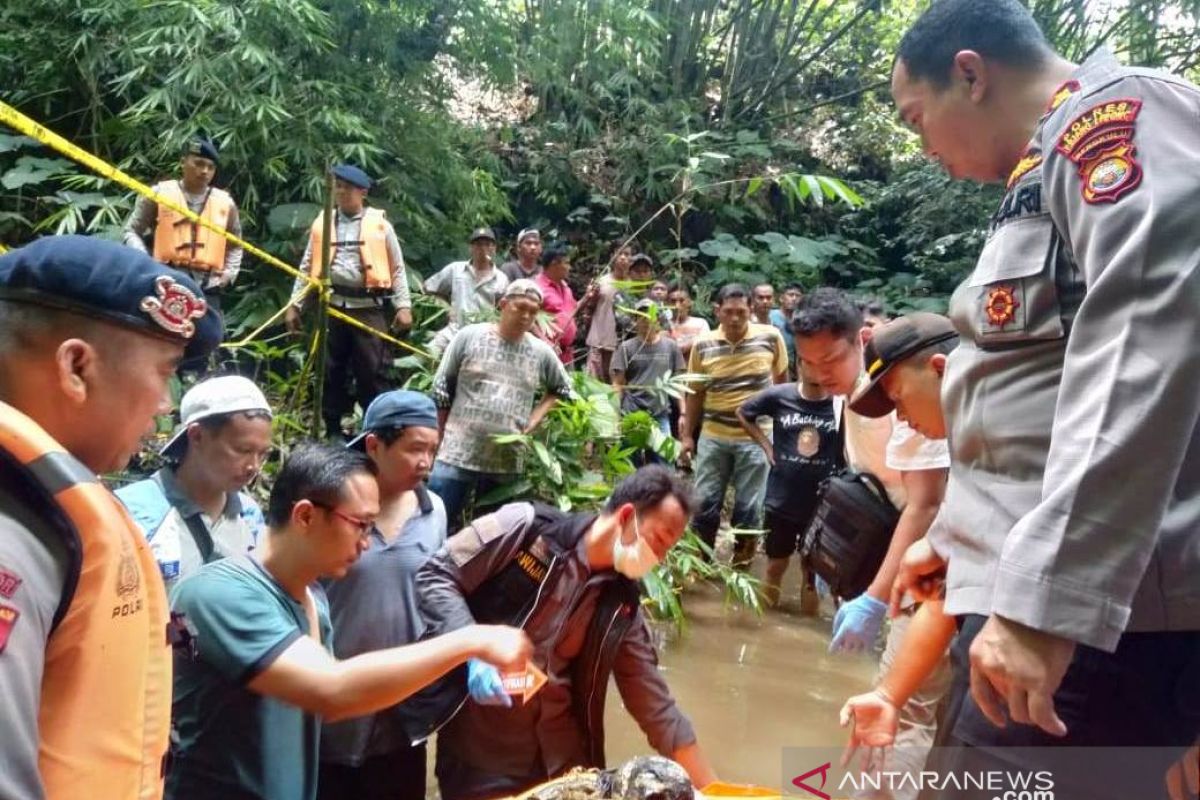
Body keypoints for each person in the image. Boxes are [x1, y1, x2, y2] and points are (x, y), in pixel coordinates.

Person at [888, 0, 1200, 791]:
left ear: (970, 73)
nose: (923, 148)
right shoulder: (1045, 166)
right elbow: (1038, 399)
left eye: (918, 120)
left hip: (1093, 634)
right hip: (1047, 613)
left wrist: (1045, 605)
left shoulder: (1120, 120)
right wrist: (962, 540)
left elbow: (1145, 345)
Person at [167, 444, 530, 800]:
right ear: (306, 516)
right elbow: (331, 692)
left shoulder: (314, 599)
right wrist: (470, 641)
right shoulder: (216, 595)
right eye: (361, 525)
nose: (366, 542)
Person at [0, 235, 220, 800]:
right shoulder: (11, 538)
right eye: (165, 372)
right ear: (77, 366)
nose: (167, 404)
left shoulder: (41, 513)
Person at [414, 465, 718, 800]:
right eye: (658, 542)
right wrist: (473, 648)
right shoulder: (526, 530)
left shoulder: (621, 604)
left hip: (567, 771)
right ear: (627, 515)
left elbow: (655, 707)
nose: (658, 560)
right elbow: (435, 575)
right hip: (482, 756)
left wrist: (715, 792)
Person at [793, 294, 950, 800]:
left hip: (932, 573)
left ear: (861, 340)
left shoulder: (909, 392)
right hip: (904, 562)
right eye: (808, 363)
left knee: (903, 708)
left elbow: (924, 506)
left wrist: (877, 598)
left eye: (831, 360)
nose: (819, 374)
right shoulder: (853, 393)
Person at [835, 314, 959, 764]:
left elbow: (924, 505)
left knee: (906, 719)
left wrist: (874, 597)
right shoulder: (968, 437)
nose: (902, 418)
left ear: (941, 370)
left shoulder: (999, 443)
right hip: (946, 597)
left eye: (900, 398)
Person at [318, 392, 446, 800]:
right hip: (330, 709)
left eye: (433, 450)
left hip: (402, 715)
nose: (426, 461)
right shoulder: (330, 510)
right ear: (374, 444)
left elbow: (438, 596)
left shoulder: (435, 511)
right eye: (415, 449)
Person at [429, 279, 577, 530]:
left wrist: (534, 420)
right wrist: (438, 439)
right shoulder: (469, 337)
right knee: (435, 523)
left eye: (533, 312)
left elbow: (563, 389)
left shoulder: (541, 352)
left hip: (505, 463)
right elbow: (441, 388)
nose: (526, 316)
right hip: (456, 453)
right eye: (521, 307)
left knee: (488, 538)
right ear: (503, 304)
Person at [285, 164, 413, 438]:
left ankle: (374, 430)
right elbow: (308, 265)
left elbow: (397, 268)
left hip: (368, 310)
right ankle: (331, 429)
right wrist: (295, 304)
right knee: (330, 370)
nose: (341, 192)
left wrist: (403, 306)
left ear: (363, 192)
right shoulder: (323, 223)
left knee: (373, 372)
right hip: (331, 308)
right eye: (337, 187)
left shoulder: (381, 226)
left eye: (347, 187)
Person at [117, 375, 272, 590]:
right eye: (243, 450)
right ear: (197, 436)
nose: (253, 466)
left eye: (262, 454)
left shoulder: (249, 515)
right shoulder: (131, 511)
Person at [682, 284, 788, 566]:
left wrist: (784, 431)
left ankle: (742, 568)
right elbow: (694, 393)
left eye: (741, 312)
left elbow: (782, 385)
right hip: (713, 436)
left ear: (751, 310)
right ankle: (701, 565)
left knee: (749, 508)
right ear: (717, 311)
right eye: (728, 312)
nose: (735, 318)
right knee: (705, 504)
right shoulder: (703, 344)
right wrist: (687, 437)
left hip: (756, 439)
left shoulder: (771, 337)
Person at [736, 361, 843, 613]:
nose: (816, 369)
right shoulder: (779, 395)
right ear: (800, 365)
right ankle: (766, 624)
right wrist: (766, 446)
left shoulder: (840, 402)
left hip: (821, 502)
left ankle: (808, 627)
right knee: (775, 566)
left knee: (811, 576)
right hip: (781, 499)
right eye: (809, 363)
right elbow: (743, 412)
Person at [123, 136, 244, 317]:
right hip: (163, 281)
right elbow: (131, 230)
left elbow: (236, 243)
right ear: (183, 163)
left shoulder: (225, 203)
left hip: (208, 287)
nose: (204, 171)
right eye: (199, 163)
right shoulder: (159, 194)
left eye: (210, 167)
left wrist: (229, 273)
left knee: (208, 342)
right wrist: (145, 261)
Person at [610, 299, 686, 463]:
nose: (645, 320)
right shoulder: (626, 347)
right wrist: (615, 416)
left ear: (657, 319)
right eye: (640, 316)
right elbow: (618, 383)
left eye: (649, 315)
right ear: (635, 320)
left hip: (660, 413)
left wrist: (683, 413)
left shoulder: (671, 347)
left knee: (664, 464)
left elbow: (678, 382)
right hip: (631, 414)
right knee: (630, 465)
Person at [424, 226, 509, 356]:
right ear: (471, 248)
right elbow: (429, 288)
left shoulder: (501, 278)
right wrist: (445, 307)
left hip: (484, 337)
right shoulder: (455, 269)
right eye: (478, 244)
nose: (483, 248)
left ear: (494, 249)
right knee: (427, 353)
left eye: (488, 244)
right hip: (454, 330)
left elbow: (504, 308)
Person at [581, 241, 634, 382]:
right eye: (619, 253)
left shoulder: (635, 285)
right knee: (594, 384)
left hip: (623, 343)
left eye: (627, 254)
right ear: (612, 256)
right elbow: (589, 309)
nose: (622, 257)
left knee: (617, 384)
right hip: (599, 340)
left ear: (632, 259)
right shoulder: (601, 282)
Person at [534, 245, 578, 365]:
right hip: (547, 352)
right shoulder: (537, 288)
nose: (569, 267)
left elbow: (571, 312)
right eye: (567, 263)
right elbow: (529, 319)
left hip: (567, 353)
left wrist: (589, 297)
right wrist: (546, 342)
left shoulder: (565, 287)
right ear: (554, 264)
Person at [666, 282, 710, 360]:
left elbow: (705, 346)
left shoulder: (700, 323)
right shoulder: (663, 325)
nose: (677, 306)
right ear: (667, 303)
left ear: (689, 302)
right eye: (673, 301)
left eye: (681, 300)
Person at [770, 283, 802, 377]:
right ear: (781, 298)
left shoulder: (801, 321)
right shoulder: (771, 317)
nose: (794, 298)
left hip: (791, 371)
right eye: (791, 295)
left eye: (798, 296)